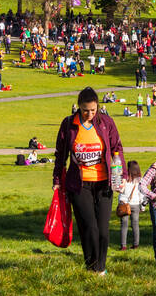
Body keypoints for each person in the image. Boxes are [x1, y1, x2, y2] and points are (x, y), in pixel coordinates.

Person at [53, 87, 125, 275]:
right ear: (79, 106)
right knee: (89, 227)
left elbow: (117, 147)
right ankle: (92, 266)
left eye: (93, 110)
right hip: (79, 183)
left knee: (102, 230)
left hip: (104, 183)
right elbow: (61, 154)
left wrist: (122, 175)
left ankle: (100, 266)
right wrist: (56, 178)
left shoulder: (106, 122)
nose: (89, 114)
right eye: (86, 110)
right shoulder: (69, 124)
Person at [118, 160, 144, 250]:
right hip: (135, 204)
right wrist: (142, 206)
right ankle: (136, 244)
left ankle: (123, 246)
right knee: (135, 225)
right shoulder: (140, 180)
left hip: (124, 204)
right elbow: (142, 194)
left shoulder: (124, 179)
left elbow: (121, 191)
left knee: (124, 225)